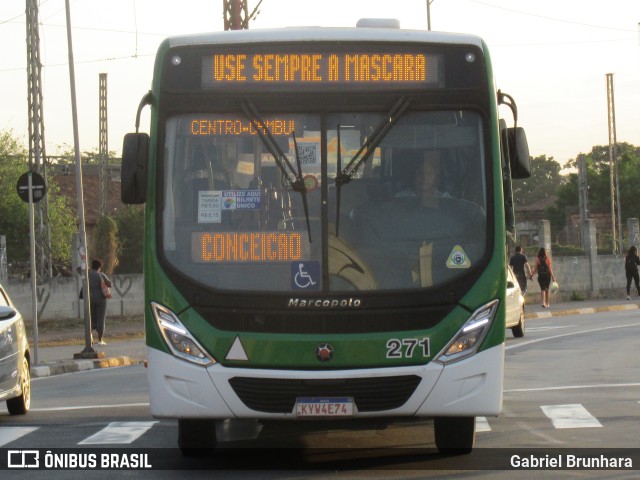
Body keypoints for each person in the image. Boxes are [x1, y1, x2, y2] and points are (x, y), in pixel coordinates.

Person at [88, 259, 112, 345]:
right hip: (101, 299)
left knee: (90, 319)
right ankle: (100, 340)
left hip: (90, 299)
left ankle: (89, 340)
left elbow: (79, 270)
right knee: (100, 318)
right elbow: (110, 284)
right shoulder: (100, 274)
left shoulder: (88, 274)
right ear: (99, 267)